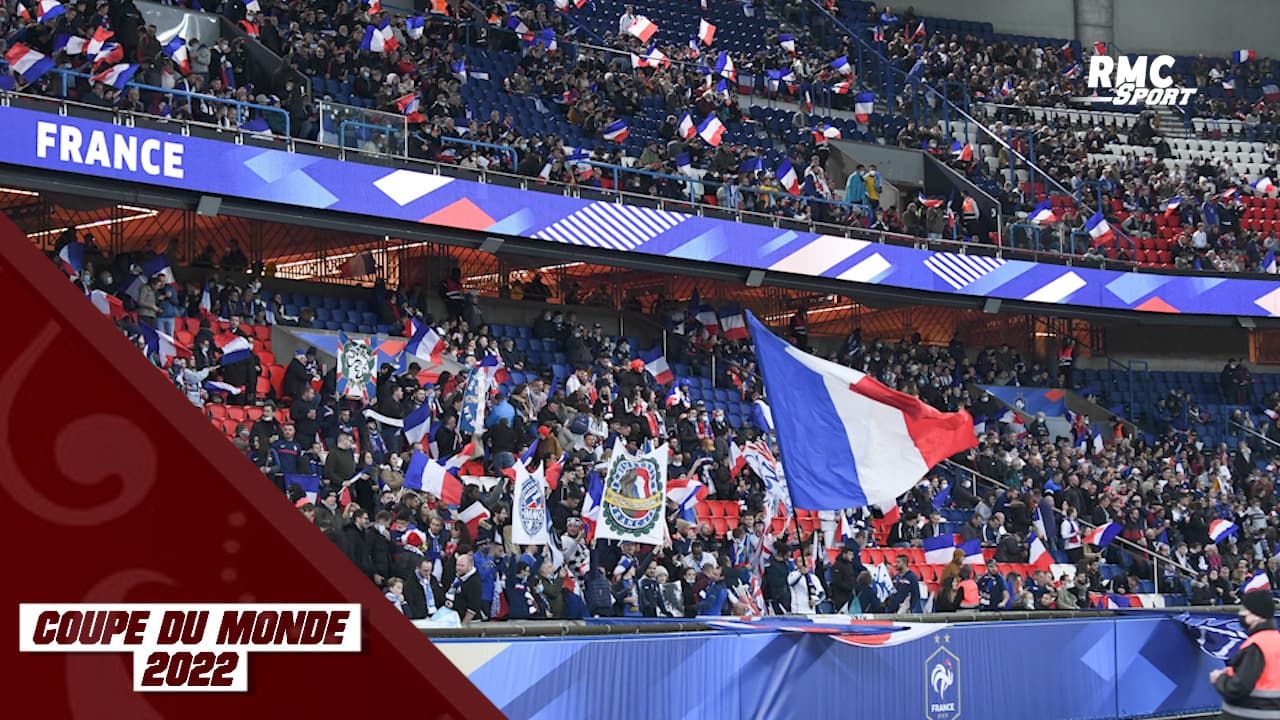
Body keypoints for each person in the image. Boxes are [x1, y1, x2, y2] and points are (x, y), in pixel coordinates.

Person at [1212, 590, 1280, 720]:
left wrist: (1220, 679)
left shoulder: (1256, 645)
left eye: (1244, 609)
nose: (1240, 613)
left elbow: (1238, 688)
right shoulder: (1276, 639)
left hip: (1248, 714)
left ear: (1256, 615)